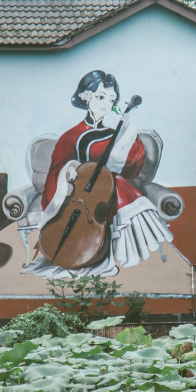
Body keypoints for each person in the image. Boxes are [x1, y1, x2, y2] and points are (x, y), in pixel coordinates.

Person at [24, 70, 173, 278]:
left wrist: (127, 135)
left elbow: (131, 168)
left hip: (103, 199)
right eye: (101, 97)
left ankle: (110, 249)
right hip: (75, 197)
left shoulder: (113, 133)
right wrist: (69, 169)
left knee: (119, 183)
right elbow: (56, 168)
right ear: (86, 96)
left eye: (111, 100)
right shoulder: (70, 136)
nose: (106, 105)